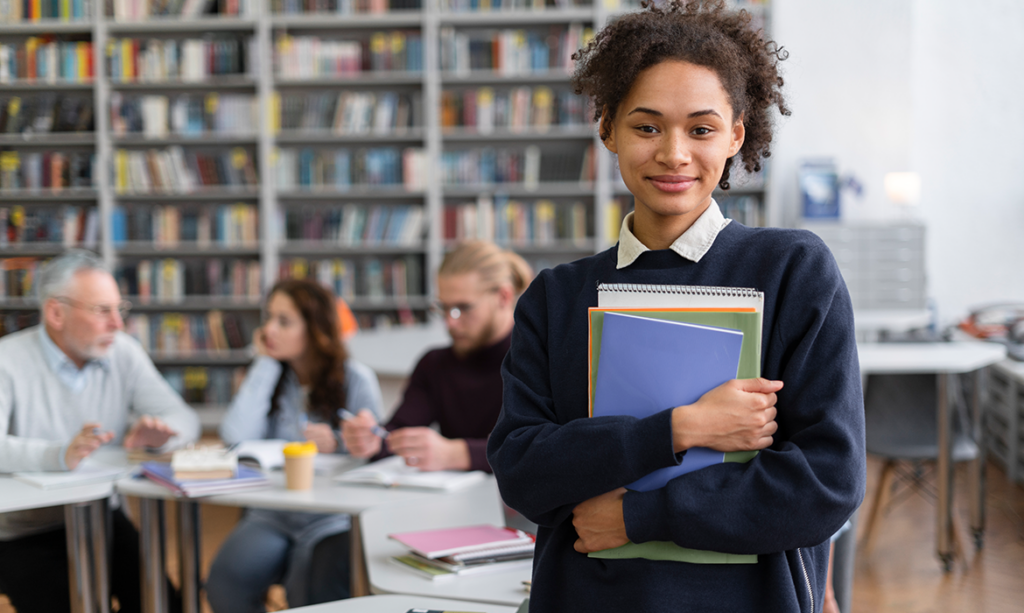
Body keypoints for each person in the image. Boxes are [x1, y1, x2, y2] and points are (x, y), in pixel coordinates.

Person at [486, 1, 866, 611]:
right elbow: (523, 473)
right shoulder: (556, 297)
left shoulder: (793, 271)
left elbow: (825, 484)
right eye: (646, 127)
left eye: (701, 129)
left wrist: (637, 516)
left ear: (736, 134)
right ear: (607, 128)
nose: (673, 153)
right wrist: (681, 428)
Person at [0, 249, 201, 613]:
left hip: (100, 517)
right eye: (102, 311)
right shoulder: (7, 360)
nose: (118, 324)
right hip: (23, 530)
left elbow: (184, 418)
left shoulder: (122, 352)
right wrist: (59, 455)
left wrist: (162, 434)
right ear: (56, 313)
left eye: (119, 309)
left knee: (164, 604)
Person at [206, 279, 384, 612]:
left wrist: (341, 442)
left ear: (315, 329)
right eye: (269, 318)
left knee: (307, 596)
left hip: (330, 519)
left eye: (284, 322)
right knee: (225, 583)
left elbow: (376, 451)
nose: (269, 330)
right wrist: (265, 363)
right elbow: (235, 436)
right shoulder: (271, 375)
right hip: (272, 513)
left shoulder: (356, 379)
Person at [342, 240, 533, 473]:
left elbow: (544, 449)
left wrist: (458, 454)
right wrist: (370, 440)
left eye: (463, 308)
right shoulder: (434, 364)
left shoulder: (537, 363)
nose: (450, 322)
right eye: (444, 308)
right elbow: (396, 435)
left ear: (504, 297)